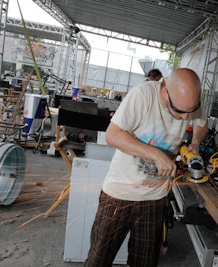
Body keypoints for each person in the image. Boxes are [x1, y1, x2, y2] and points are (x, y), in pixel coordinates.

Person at [85, 68, 208, 267]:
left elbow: (202, 122)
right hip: (119, 194)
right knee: (98, 261)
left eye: (190, 112)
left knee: (145, 263)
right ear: (165, 92)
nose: (186, 118)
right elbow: (112, 135)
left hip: (155, 198)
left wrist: (194, 144)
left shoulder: (188, 102)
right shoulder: (143, 95)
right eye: (179, 111)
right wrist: (155, 154)